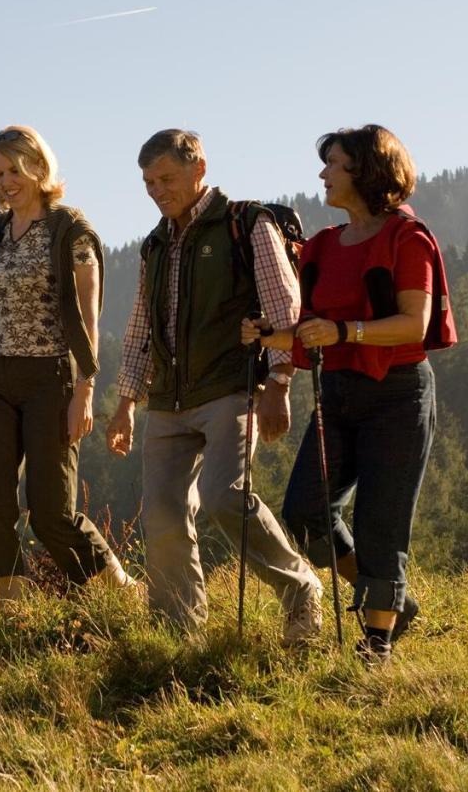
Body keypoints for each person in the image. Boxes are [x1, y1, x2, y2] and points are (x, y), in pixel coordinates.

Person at [242, 124, 456, 665]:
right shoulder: (320, 246)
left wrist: (346, 333)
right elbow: (311, 327)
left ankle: (376, 642)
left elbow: (413, 323)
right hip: (336, 391)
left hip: (398, 393)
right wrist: (271, 335)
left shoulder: (408, 238)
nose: (322, 173)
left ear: (364, 170)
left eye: (332, 164)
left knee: (381, 520)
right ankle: (388, 599)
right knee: (305, 513)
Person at [107, 129, 323, 643]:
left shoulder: (246, 223)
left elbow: (283, 308)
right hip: (166, 399)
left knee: (224, 497)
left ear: (199, 167)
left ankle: (300, 591)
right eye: (148, 182)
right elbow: (141, 327)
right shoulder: (154, 244)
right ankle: (179, 634)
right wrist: (125, 403)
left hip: (232, 387)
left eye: (167, 178)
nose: (158, 190)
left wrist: (279, 382)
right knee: (161, 513)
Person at [0, 125, 139, 601]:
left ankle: (121, 595)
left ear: (39, 167)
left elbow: (89, 315)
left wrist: (85, 391)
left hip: (51, 379)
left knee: (51, 509)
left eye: (15, 170)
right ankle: (11, 609)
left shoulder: (70, 230)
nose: (6, 181)